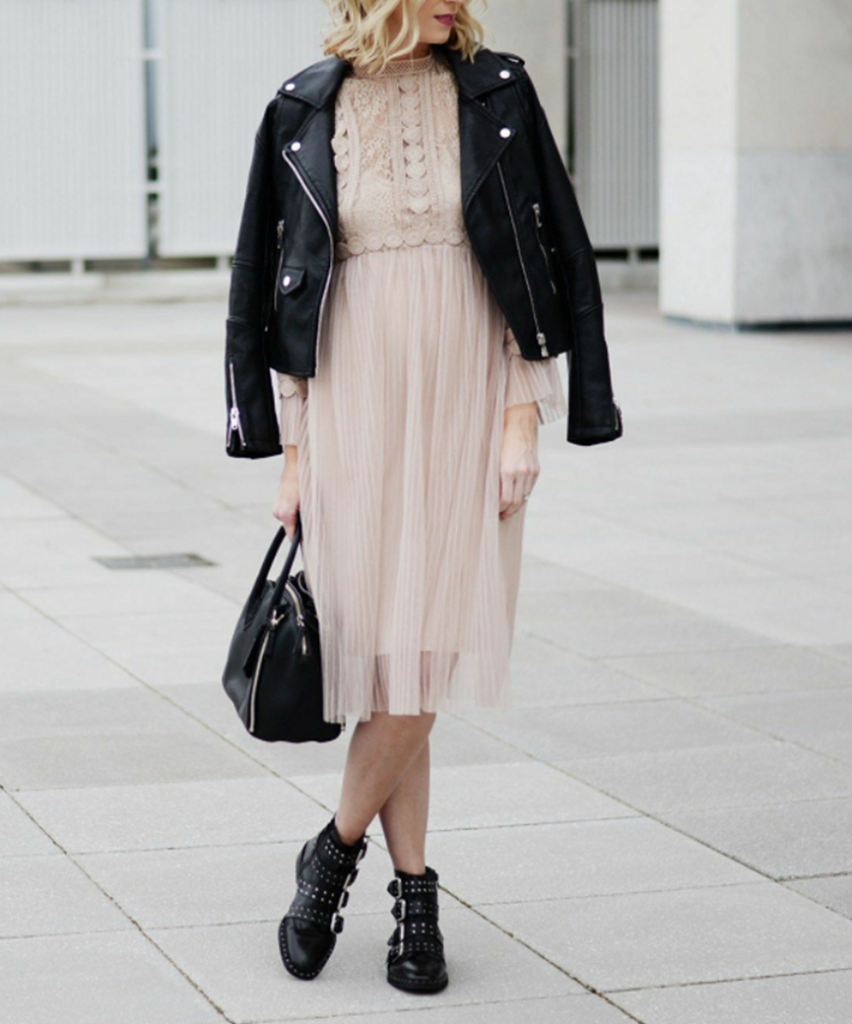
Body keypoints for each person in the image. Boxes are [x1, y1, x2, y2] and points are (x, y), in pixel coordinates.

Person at [224, 0, 622, 994]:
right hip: (355, 407)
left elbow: (535, 253)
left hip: (467, 401)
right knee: (393, 664)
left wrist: (525, 413)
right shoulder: (302, 107)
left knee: (426, 661)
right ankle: (414, 896)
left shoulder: (497, 90)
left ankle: (330, 854)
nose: (455, 0)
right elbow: (283, 289)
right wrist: (295, 452)